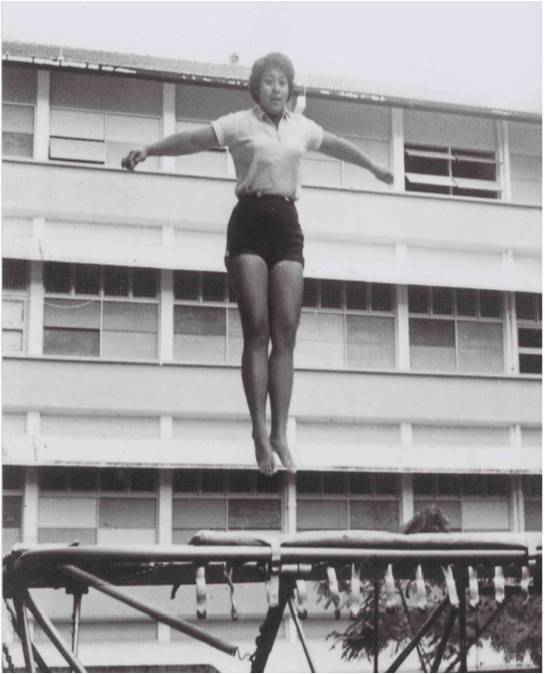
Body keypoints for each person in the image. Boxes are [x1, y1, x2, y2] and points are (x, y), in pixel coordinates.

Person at [122, 53, 393, 475]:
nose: (277, 89)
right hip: (248, 222)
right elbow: (193, 140)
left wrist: (375, 167)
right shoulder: (238, 124)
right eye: (269, 81)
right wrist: (148, 149)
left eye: (283, 82)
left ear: (290, 87)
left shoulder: (301, 127)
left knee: (285, 331)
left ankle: (281, 433)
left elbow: (338, 146)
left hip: (286, 224)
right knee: (258, 328)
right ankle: (259, 431)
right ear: (257, 87)